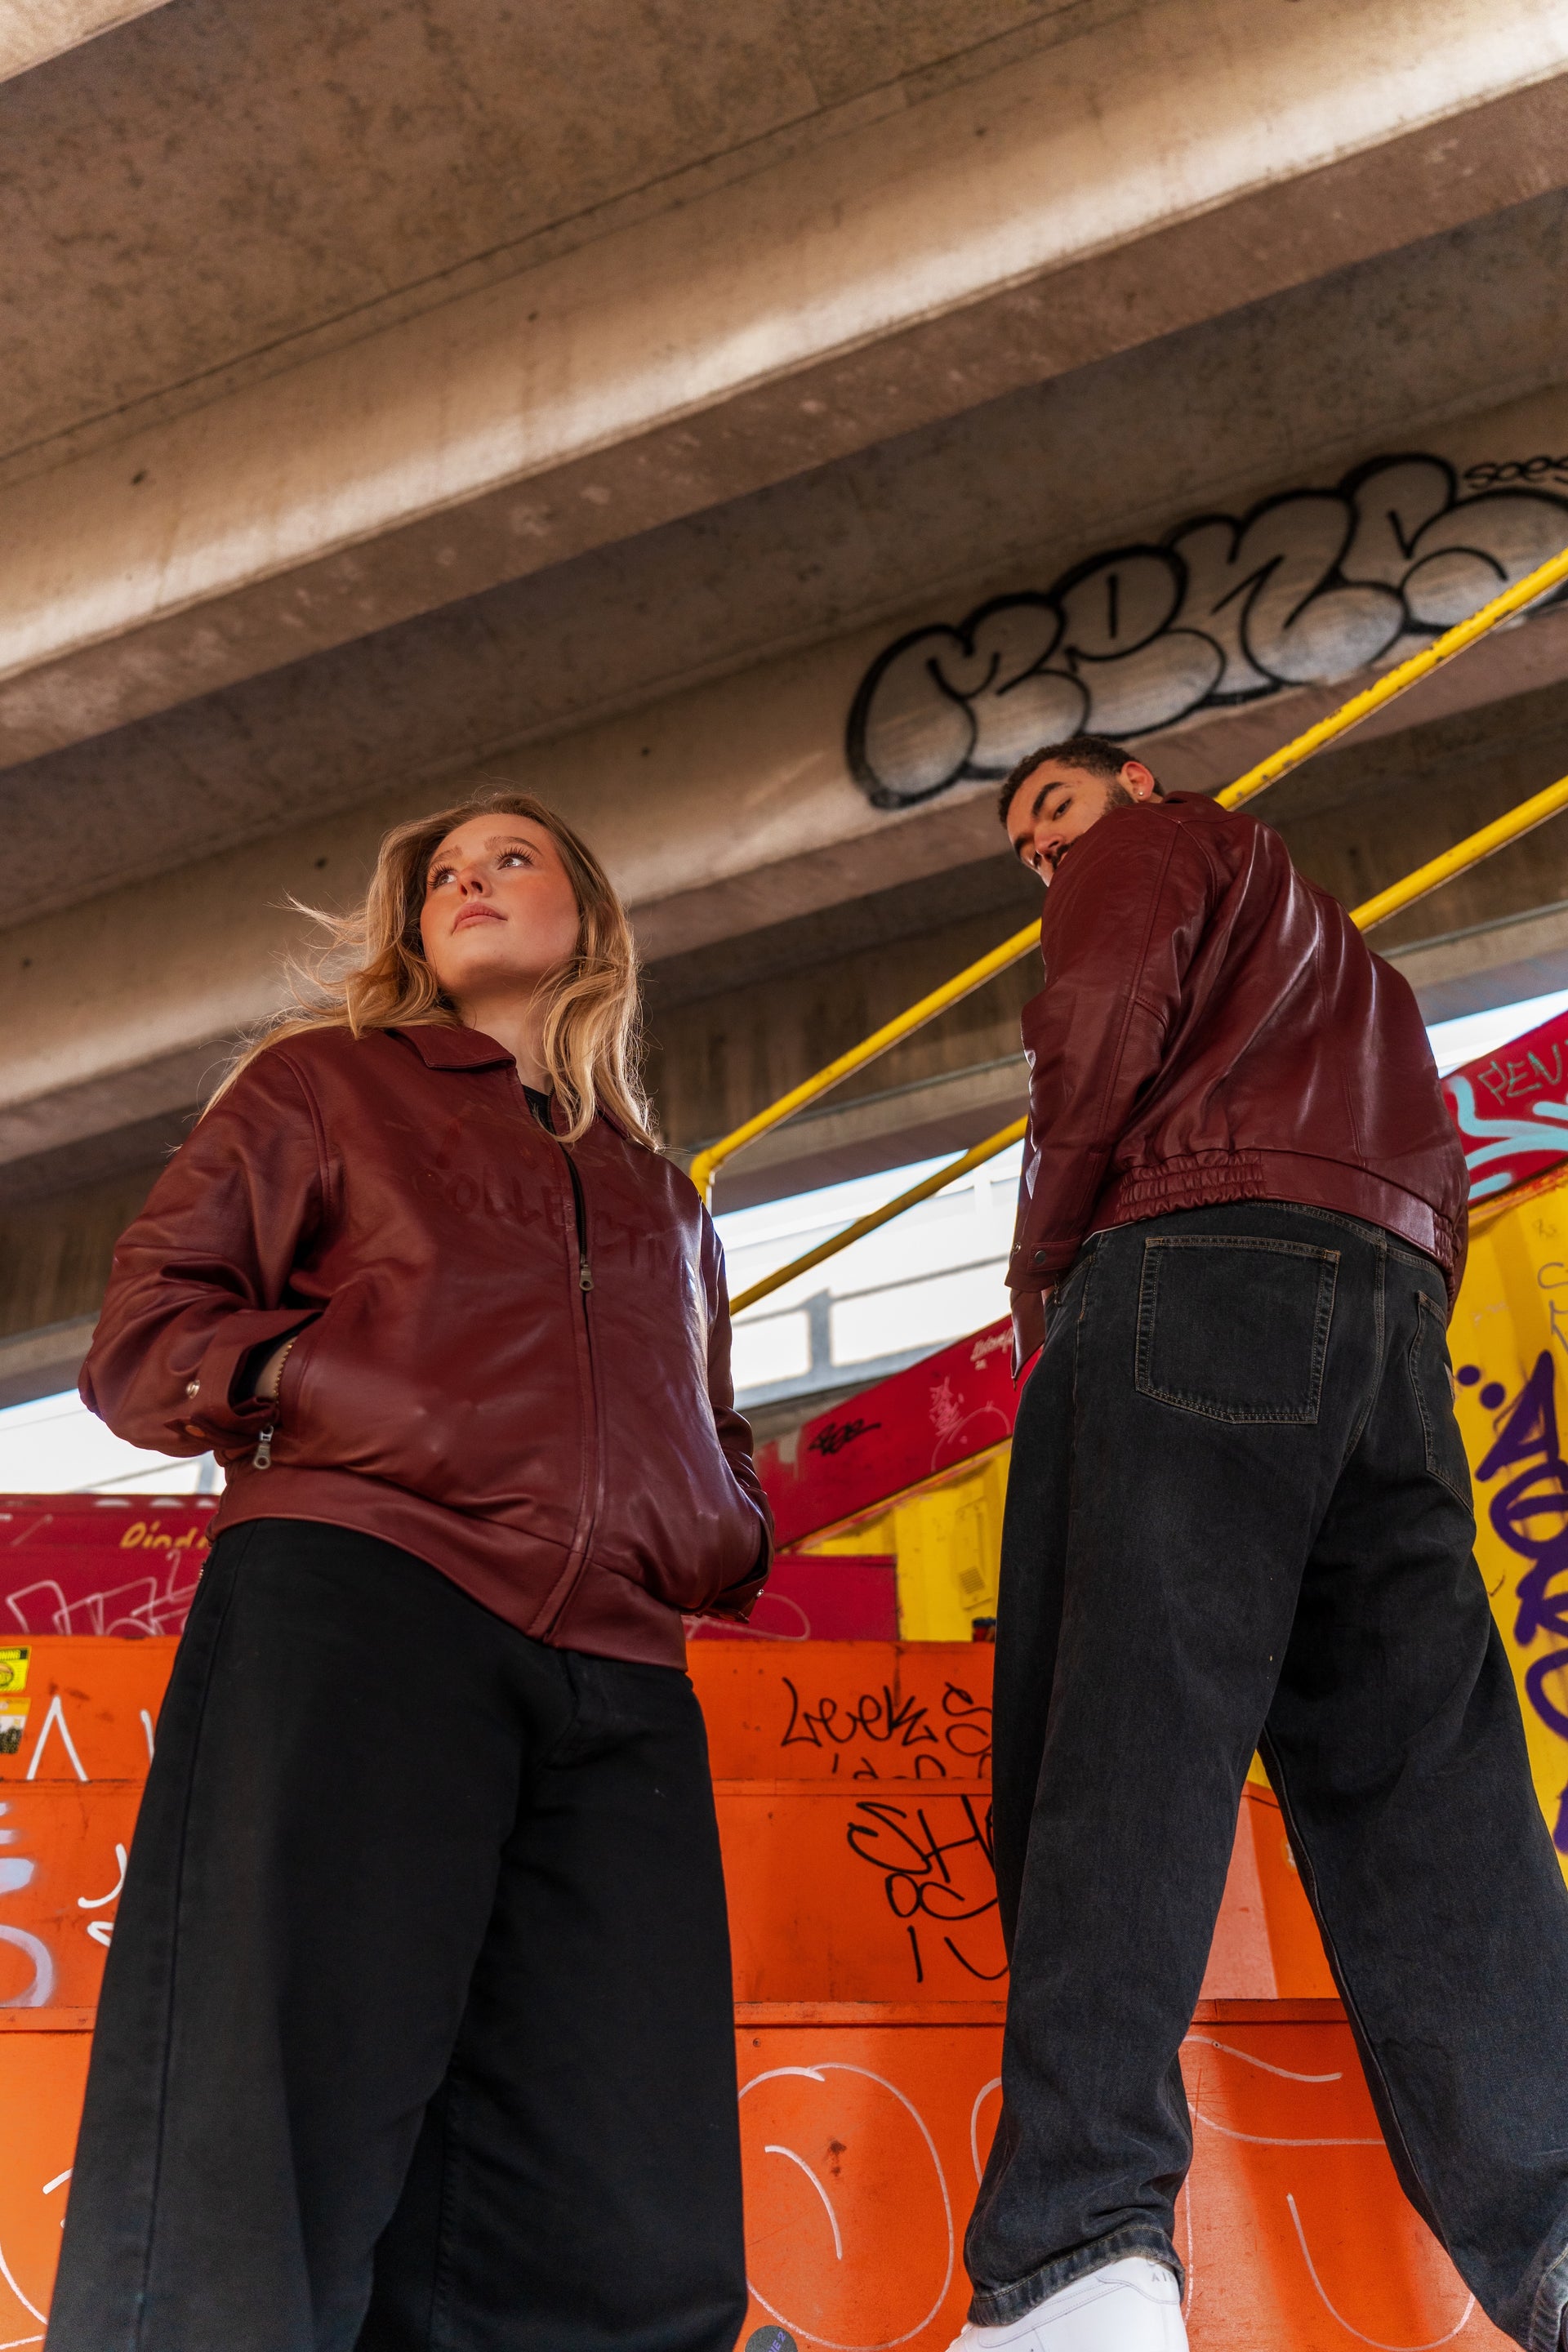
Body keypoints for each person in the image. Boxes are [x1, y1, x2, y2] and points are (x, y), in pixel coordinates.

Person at [48, 789, 771, 2352]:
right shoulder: (325, 1087)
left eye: (513, 858)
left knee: (617, 2162)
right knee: (273, 2110)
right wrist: (358, 1394)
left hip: (620, 1669)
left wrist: (726, 1520)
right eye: (444, 872)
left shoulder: (663, 1192)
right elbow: (146, 1337)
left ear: (590, 917)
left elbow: (711, 1418)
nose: (472, 881)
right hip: (365, 1595)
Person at [952, 735, 1568, 2352]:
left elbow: (1095, 1022)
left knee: (1117, 1752)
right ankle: (1561, 2240)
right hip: (1388, 1314)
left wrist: (1044, 1273)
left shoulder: (1157, 848)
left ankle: (1077, 2259)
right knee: (1432, 1793)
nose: (1045, 854)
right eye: (1027, 848)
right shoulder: (1352, 966)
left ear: (1139, 777)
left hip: (1192, 1269)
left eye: (1053, 811)